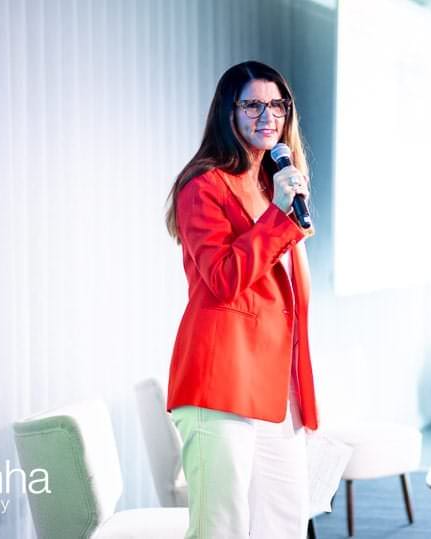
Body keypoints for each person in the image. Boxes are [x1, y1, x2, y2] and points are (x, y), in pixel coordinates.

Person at [163, 61, 319, 539]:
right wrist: (278, 217)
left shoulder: (273, 183)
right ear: (226, 112)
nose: (267, 116)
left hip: (273, 387)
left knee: (285, 523)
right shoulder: (203, 185)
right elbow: (223, 278)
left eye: (277, 105)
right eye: (252, 105)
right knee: (222, 528)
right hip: (222, 381)